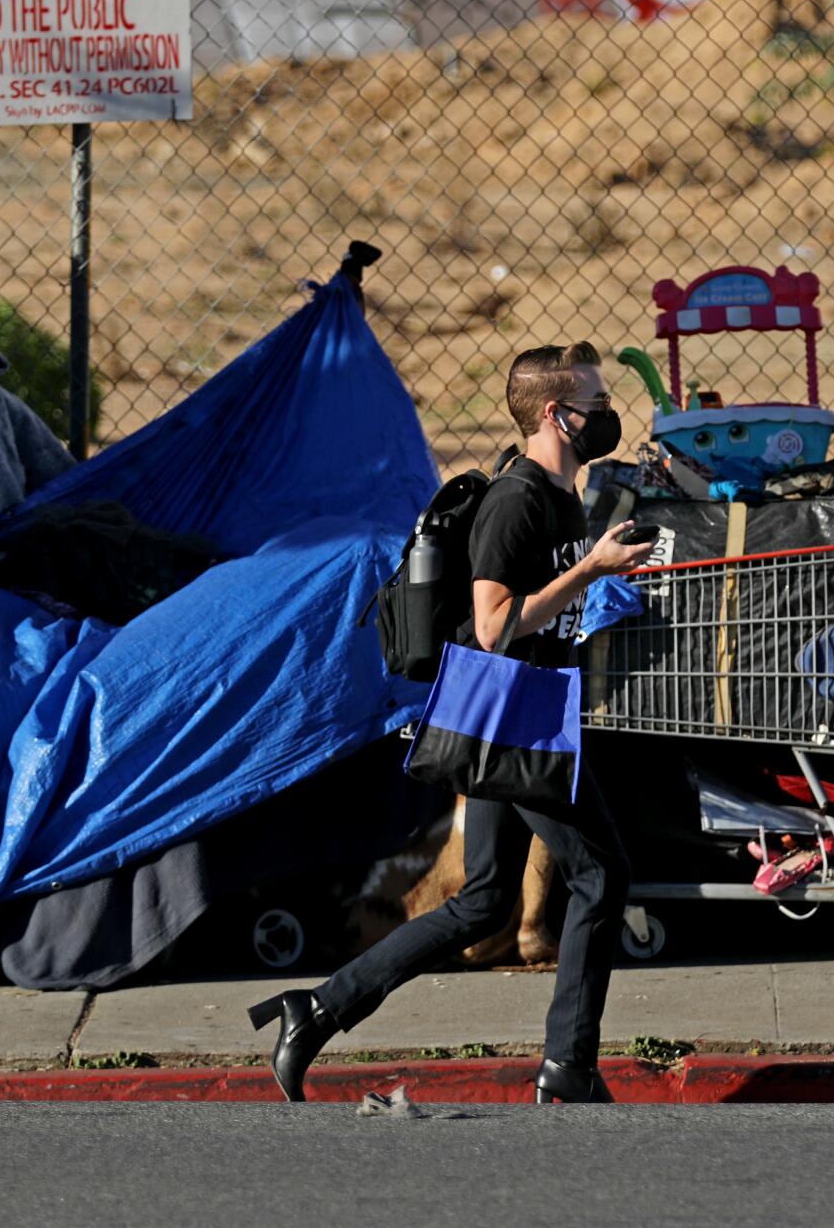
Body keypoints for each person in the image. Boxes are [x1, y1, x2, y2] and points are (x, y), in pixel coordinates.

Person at [249, 341, 656, 1104]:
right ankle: (568, 1064)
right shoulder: (517, 500)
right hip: (513, 715)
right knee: (603, 875)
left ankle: (319, 1009)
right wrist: (591, 570)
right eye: (595, 404)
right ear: (553, 414)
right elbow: (493, 625)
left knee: (483, 899)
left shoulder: (565, 498)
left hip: (528, 705)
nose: (607, 415)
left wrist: (604, 565)